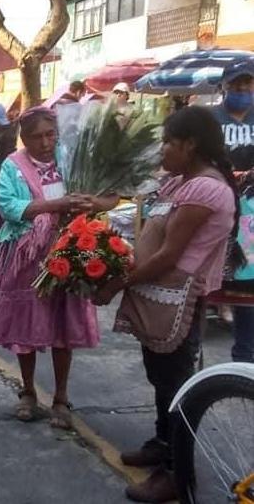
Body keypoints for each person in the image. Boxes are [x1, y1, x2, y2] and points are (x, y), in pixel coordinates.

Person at [93, 106, 242, 503]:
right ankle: (163, 443)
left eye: (168, 143)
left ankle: (178, 472)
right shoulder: (180, 182)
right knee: (162, 381)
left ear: (189, 145)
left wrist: (117, 283)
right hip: (158, 296)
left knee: (177, 387)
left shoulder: (206, 190)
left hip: (179, 298)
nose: (162, 151)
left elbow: (169, 256)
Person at [0, 106, 118, 429]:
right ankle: (28, 391)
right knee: (25, 326)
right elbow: (8, 205)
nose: (44, 142)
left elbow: (111, 195)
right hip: (28, 257)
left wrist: (92, 204)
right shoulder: (13, 166)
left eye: (49, 134)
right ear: (23, 138)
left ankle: (60, 398)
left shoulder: (71, 158)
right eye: (35, 137)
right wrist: (53, 205)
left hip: (70, 252)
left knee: (63, 326)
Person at [210, 57, 254, 363]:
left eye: (247, 84)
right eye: (236, 84)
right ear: (224, 86)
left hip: (251, 215)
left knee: (249, 287)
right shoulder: (210, 119)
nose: (242, 89)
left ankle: (245, 357)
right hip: (218, 207)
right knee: (218, 278)